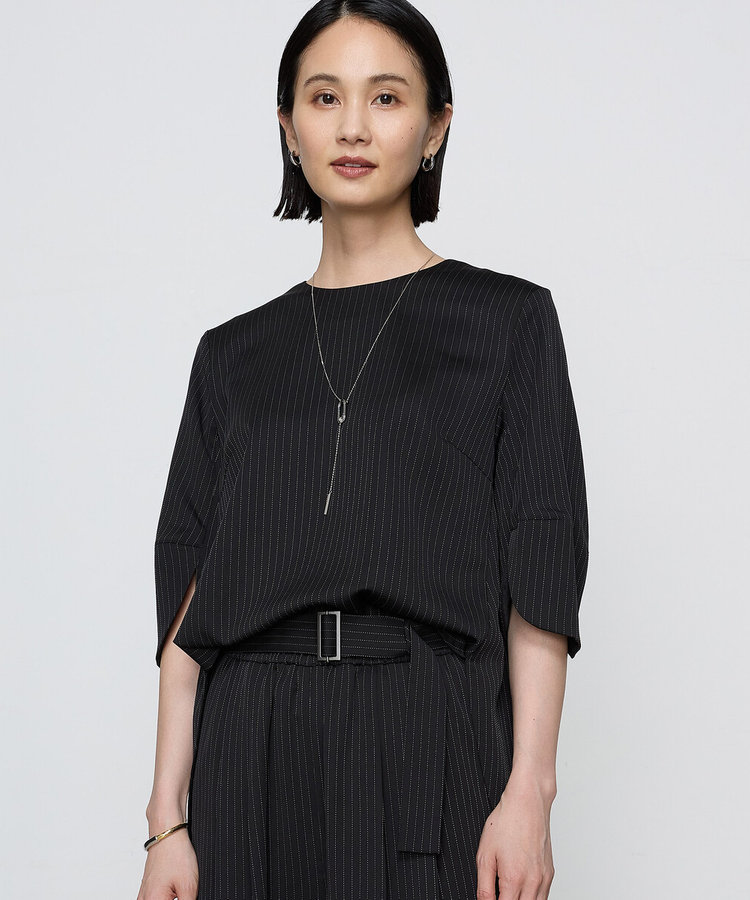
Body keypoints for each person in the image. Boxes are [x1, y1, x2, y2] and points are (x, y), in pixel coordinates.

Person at [138, 2, 589, 899]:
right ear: (288, 126)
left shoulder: (507, 322)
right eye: (324, 97)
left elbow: (540, 562)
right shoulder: (231, 356)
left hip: (425, 730)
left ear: (436, 127)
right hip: (250, 743)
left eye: (386, 97)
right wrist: (166, 823)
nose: (352, 127)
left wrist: (528, 795)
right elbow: (190, 594)